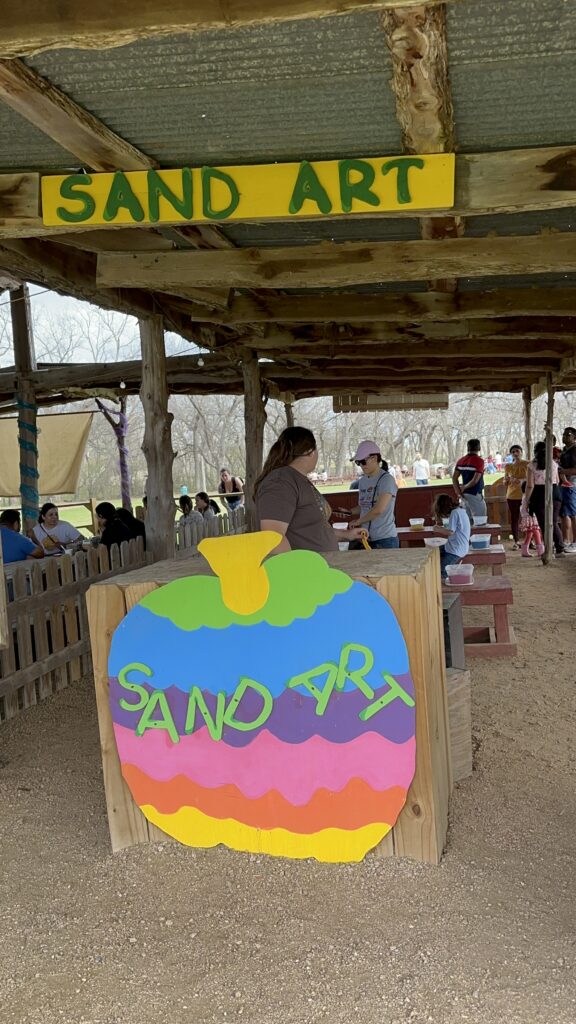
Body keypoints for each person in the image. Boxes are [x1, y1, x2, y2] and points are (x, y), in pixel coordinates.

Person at [255, 426, 363, 554]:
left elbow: (313, 531)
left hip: (322, 568)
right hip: (305, 571)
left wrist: (347, 534)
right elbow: (273, 538)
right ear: (311, 451)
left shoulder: (297, 479)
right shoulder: (280, 482)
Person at [348, 440, 399, 549]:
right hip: (365, 538)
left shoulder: (387, 480)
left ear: (375, 458)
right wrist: (349, 512)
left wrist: (358, 521)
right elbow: (365, 505)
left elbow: (378, 509)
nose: (361, 465)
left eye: (363, 462)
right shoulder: (362, 481)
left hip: (385, 539)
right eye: (358, 462)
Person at [524, 442, 565, 557]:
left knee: (544, 524)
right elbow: (557, 480)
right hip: (555, 492)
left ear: (535, 452)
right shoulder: (553, 463)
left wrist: (527, 501)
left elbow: (530, 485)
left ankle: (548, 550)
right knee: (553, 522)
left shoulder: (532, 465)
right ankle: (560, 549)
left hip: (539, 494)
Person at [430, 493, 471, 578]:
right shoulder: (460, 510)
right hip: (452, 546)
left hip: (457, 550)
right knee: (433, 552)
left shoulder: (455, 513)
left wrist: (437, 529)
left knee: (442, 570)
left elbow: (450, 532)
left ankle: (446, 584)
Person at [452, 439, 487, 521]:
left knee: (467, 522)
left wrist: (458, 492)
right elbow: (475, 480)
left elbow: (454, 478)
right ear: (479, 448)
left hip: (464, 495)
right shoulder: (479, 461)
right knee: (480, 521)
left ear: (468, 448)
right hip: (475, 493)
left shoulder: (461, 460)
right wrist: (465, 487)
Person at [504, 445, 528, 549]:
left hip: (525, 495)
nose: (515, 453)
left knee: (527, 518)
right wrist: (507, 480)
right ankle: (516, 541)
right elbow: (505, 481)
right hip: (512, 495)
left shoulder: (528, 464)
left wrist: (520, 481)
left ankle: (529, 541)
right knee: (515, 518)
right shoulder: (508, 466)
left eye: (517, 451)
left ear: (521, 452)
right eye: (513, 452)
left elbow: (531, 479)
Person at [559, 427, 576, 551]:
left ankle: (575, 541)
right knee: (564, 513)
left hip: (572, 484)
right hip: (562, 484)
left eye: (568, 435)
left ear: (574, 437)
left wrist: (562, 471)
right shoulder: (564, 450)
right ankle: (565, 540)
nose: (564, 436)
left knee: (573, 513)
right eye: (564, 434)